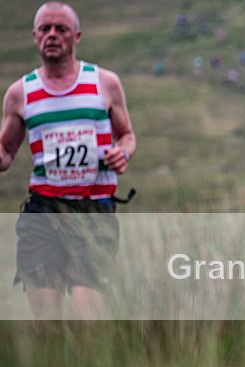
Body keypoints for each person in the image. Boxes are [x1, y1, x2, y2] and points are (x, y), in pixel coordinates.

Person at [0, 2, 137, 320]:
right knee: (46, 323)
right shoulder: (20, 93)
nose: (52, 35)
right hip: (43, 212)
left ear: (76, 36)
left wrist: (123, 153)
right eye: (45, 29)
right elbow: (5, 152)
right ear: (35, 36)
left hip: (94, 212)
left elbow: (127, 135)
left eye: (60, 29)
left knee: (87, 319)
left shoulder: (104, 83)